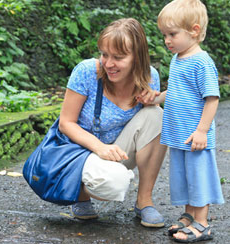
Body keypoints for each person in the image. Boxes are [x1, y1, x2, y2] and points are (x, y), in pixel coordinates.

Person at [58, 18, 167, 227]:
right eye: (104, 54)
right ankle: (79, 193)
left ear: (137, 57)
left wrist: (151, 100)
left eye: (118, 57)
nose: (108, 64)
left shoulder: (149, 76)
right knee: (114, 185)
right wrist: (100, 148)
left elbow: (149, 129)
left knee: (156, 115)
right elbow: (66, 123)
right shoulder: (87, 71)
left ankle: (144, 201)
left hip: (117, 153)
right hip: (81, 154)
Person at [137, 0, 224, 242]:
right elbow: (175, 92)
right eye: (164, 34)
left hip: (195, 136)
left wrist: (202, 131)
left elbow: (212, 99)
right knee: (183, 178)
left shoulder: (201, 62)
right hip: (177, 134)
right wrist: (155, 99)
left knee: (199, 178)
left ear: (194, 31)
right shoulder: (178, 59)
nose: (167, 40)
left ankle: (202, 223)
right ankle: (188, 215)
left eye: (172, 34)